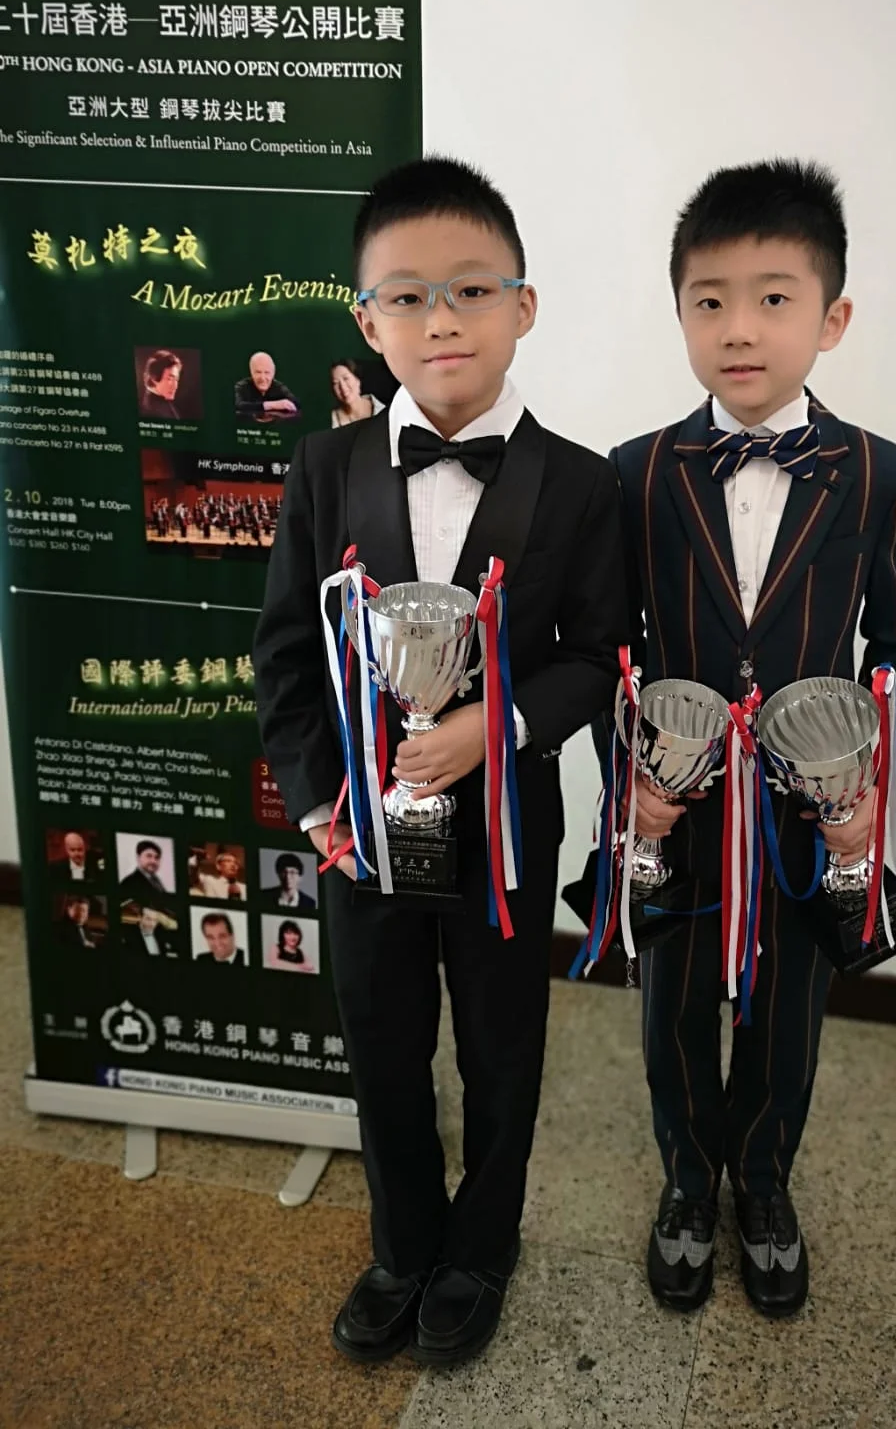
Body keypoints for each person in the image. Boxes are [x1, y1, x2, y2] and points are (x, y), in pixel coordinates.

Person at [254, 157, 625, 1368]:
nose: (441, 318)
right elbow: (285, 658)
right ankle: (405, 1243)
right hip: (364, 835)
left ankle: (481, 1246)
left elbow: (600, 652)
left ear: (524, 305)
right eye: (406, 297)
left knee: (503, 1046)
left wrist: (497, 723)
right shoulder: (324, 468)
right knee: (380, 1035)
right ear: (366, 322)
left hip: (507, 833)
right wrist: (315, 803)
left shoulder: (582, 483)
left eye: (472, 288)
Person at [610, 160, 896, 1320]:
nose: (738, 327)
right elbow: (615, 654)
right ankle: (686, 1184)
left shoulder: (878, 475)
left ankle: (762, 1182)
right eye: (709, 299)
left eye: (773, 297)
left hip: (806, 820)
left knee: (789, 1017)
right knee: (673, 1009)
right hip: (681, 808)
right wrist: (632, 792)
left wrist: (866, 782)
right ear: (681, 314)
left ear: (831, 317)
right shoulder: (636, 473)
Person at [234, 351, 300, 420]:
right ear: (251, 372)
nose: (263, 378)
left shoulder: (278, 386)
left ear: (273, 374)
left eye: (267, 372)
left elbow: (295, 403)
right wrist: (271, 405)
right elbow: (238, 405)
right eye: (258, 372)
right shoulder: (241, 386)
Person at [330, 359, 384, 428]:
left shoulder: (383, 410)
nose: (342, 387)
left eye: (346, 378)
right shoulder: (332, 420)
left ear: (357, 380)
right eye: (336, 383)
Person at [139, 349, 184, 419]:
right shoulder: (151, 412)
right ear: (154, 378)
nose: (175, 386)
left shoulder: (162, 401)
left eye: (176, 380)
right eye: (170, 379)